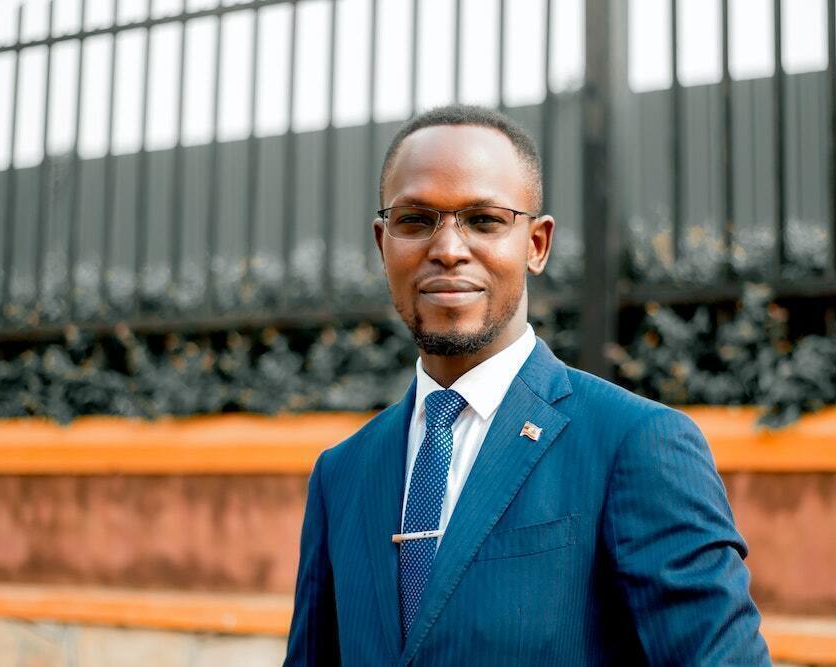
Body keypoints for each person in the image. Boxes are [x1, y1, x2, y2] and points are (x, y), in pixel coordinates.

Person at [284, 105, 770, 666]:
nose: (447, 248)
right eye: (415, 220)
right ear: (382, 242)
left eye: (484, 220)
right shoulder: (341, 474)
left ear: (536, 245)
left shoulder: (634, 444)